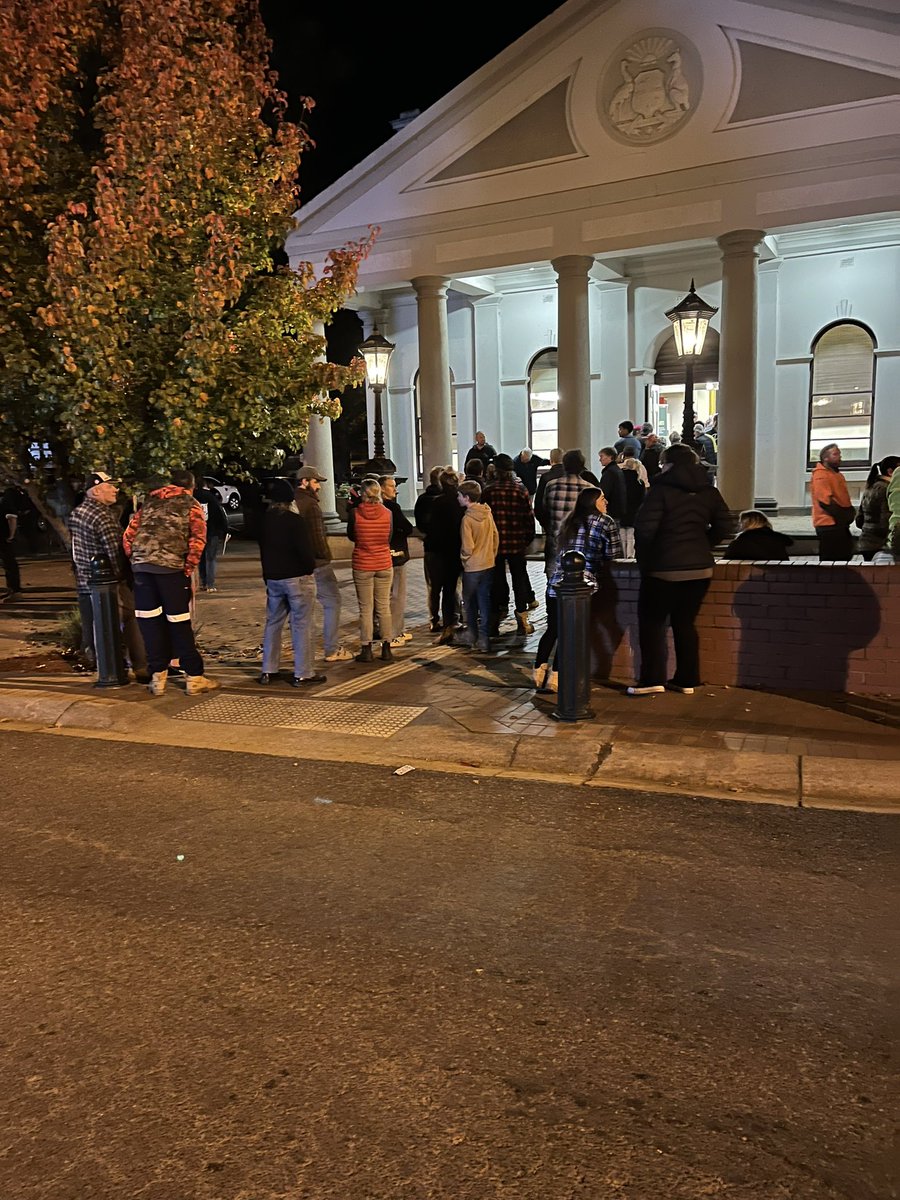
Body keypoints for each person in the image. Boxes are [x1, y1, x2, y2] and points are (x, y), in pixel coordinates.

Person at [629, 442, 732, 696]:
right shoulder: (709, 490)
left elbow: (644, 530)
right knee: (685, 623)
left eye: (663, 463)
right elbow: (726, 526)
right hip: (700, 570)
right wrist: (702, 544)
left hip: (662, 570)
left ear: (670, 464)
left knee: (651, 624)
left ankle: (652, 679)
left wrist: (647, 560)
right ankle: (687, 679)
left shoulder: (660, 491)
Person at [123, 468, 219, 696]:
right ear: (191, 486)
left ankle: (158, 679)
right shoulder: (190, 503)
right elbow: (198, 538)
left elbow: (128, 536)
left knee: (150, 625)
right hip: (171, 571)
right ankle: (194, 678)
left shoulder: (150, 502)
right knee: (179, 623)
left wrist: (137, 560)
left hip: (142, 571)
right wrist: (188, 568)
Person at [532, 487, 621, 693]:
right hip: (582, 585)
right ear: (593, 502)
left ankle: (538, 670)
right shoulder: (605, 522)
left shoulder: (569, 521)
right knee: (569, 631)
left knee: (554, 627)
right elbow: (614, 555)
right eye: (602, 498)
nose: (606, 502)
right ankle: (556, 676)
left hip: (556, 583)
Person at [68, 470, 149, 680]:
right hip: (109, 583)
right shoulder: (103, 516)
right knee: (130, 618)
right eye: (110, 486)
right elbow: (115, 552)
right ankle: (139, 666)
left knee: (98, 625)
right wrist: (126, 578)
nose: (116, 489)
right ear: (96, 491)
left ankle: (107, 667)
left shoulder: (78, 513)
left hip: (86, 582)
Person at [257, 478, 324, 687]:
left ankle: (269, 669)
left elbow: (263, 551)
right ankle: (303, 672)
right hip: (296, 578)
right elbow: (304, 551)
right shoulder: (295, 522)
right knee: (302, 624)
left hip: (273, 578)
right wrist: (309, 568)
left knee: (273, 623)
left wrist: (267, 575)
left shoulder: (264, 521)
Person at [294, 465, 352, 663]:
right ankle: (332, 648)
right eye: (315, 481)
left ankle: (302, 650)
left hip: (299, 564)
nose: (318, 486)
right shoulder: (311, 506)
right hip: (317, 563)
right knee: (332, 602)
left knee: (302, 608)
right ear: (305, 482)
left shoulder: (293, 503)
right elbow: (317, 536)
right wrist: (325, 555)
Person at [483, 452, 537, 635]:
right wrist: (526, 539)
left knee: (496, 582)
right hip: (516, 544)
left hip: (495, 545)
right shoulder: (520, 490)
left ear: (496, 470)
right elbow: (529, 519)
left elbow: (484, 518)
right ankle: (522, 620)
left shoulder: (488, 491)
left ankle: (494, 623)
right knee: (519, 580)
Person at [346, 478, 394, 663]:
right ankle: (387, 648)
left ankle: (366, 649)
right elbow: (388, 538)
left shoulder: (355, 513)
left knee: (366, 608)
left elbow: (352, 535)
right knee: (383, 606)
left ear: (363, 493)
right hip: (383, 562)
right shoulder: (388, 513)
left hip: (362, 563)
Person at [422, 468, 465, 642]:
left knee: (436, 587)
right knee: (451, 589)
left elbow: (429, 526)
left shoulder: (438, 502)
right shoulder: (460, 501)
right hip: (455, 550)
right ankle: (452, 621)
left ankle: (443, 625)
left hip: (438, 550)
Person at [456, 480, 499, 652]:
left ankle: (472, 635)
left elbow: (467, 546)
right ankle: (484, 639)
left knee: (470, 603)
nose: (458, 499)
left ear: (466, 498)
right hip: (488, 563)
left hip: (473, 566)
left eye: (459, 496)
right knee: (484, 601)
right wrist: (492, 554)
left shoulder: (467, 519)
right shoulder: (488, 513)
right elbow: (495, 536)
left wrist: (464, 559)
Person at [541, 450, 591, 575]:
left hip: (555, 539)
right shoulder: (589, 488)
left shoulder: (551, 485)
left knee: (553, 577)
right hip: (580, 542)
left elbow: (544, 511)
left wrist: (548, 529)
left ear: (564, 465)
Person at [379, 474, 415, 647]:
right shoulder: (392, 507)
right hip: (396, 555)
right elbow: (407, 527)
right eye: (391, 486)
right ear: (382, 488)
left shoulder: (371, 507)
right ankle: (394, 633)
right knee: (396, 596)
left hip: (379, 556)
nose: (395, 489)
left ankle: (390, 630)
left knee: (382, 597)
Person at [414, 464, 447, 632]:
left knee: (433, 587)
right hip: (447, 548)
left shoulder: (422, 499)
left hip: (430, 547)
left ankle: (434, 619)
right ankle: (452, 619)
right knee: (452, 585)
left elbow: (419, 523)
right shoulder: (446, 499)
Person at [810, 442, 855, 561]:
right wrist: (843, 515)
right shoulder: (821, 475)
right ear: (825, 458)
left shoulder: (835, 474)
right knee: (832, 559)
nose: (840, 457)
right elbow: (825, 501)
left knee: (844, 555)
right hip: (829, 523)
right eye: (835, 454)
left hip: (838, 523)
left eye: (839, 454)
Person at [855, 456, 899, 561]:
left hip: (867, 542)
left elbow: (859, 520)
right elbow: (887, 519)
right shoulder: (886, 490)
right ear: (890, 472)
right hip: (880, 545)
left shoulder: (870, 487)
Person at [192, 477, 229, 592]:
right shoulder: (212, 497)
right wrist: (224, 530)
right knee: (211, 558)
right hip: (212, 531)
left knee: (201, 557)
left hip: (198, 531)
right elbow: (221, 514)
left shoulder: (193, 497)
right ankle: (210, 584)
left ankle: (203, 582)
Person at [722, 510, 792, 560]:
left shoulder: (740, 543)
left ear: (746, 524)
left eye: (740, 523)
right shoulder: (777, 540)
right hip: (779, 576)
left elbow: (727, 562)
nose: (739, 526)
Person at [618, 457, 646, 559]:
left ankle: (622, 555)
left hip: (620, 511)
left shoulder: (619, 480)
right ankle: (630, 556)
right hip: (634, 512)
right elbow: (642, 500)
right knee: (631, 536)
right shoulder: (639, 483)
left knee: (621, 535)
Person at [0, 485, 22, 600]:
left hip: (4, 537)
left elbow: (12, 518)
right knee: (6, 563)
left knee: (9, 563)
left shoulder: (5, 500)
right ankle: (12, 589)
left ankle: (15, 590)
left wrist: (11, 535)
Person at [597, 447, 627, 525]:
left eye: (602, 456)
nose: (600, 459)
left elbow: (605, 492)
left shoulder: (609, 473)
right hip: (618, 509)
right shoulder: (617, 470)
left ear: (610, 457)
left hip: (611, 510)